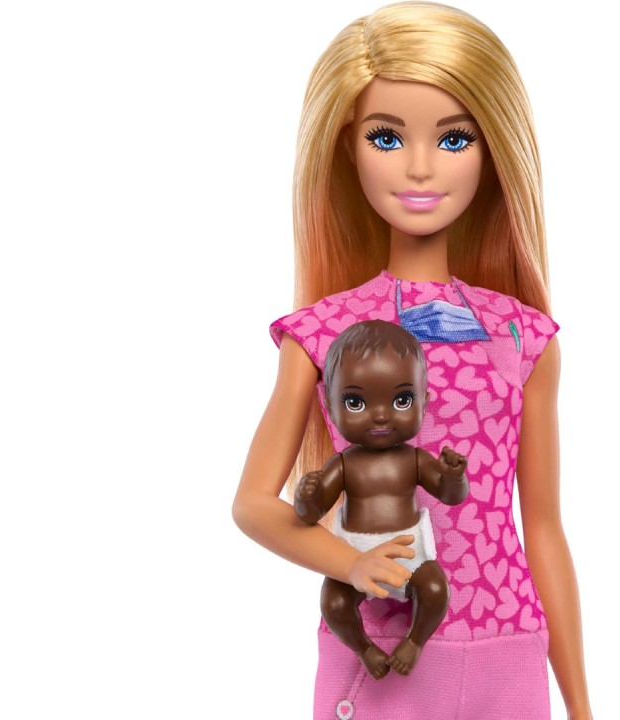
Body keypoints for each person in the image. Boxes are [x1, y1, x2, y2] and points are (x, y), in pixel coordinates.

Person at [232, 3, 593, 718]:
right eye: (387, 137)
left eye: (454, 138)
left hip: (508, 648)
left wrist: (581, 703)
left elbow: (544, 528)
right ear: (347, 148)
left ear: (493, 149)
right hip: (379, 649)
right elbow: (253, 504)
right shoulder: (323, 332)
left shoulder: (524, 336)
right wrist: (351, 564)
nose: (421, 166)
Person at [296, 319, 468, 680]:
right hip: (354, 554)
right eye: (355, 402)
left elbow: (450, 496)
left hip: (409, 552)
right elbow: (311, 514)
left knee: (435, 589)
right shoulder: (344, 463)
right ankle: (363, 647)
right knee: (334, 602)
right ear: (329, 405)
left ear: (425, 401)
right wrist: (307, 497)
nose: (379, 414)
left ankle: (414, 641)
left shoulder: (414, 459)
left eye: (402, 400)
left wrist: (453, 478)